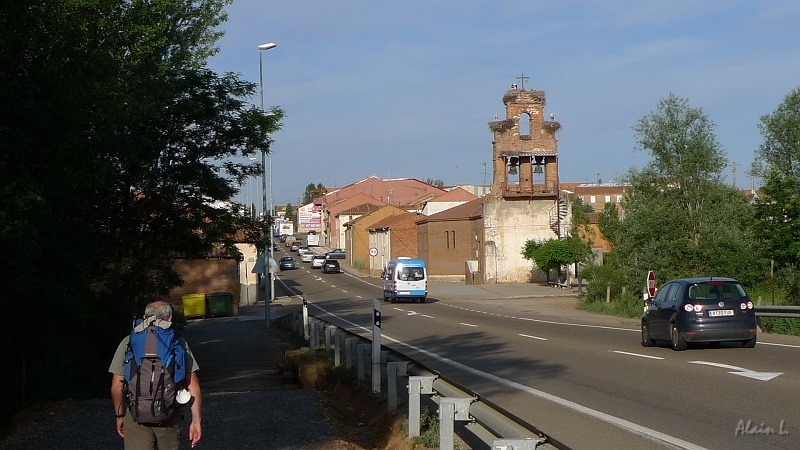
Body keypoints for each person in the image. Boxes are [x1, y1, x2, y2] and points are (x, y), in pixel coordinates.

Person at [109, 301, 202, 449]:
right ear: (170, 318)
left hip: (136, 414)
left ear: (144, 317)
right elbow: (193, 385)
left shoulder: (129, 342)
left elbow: (116, 386)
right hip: (169, 414)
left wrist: (119, 416)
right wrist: (196, 420)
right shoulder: (178, 343)